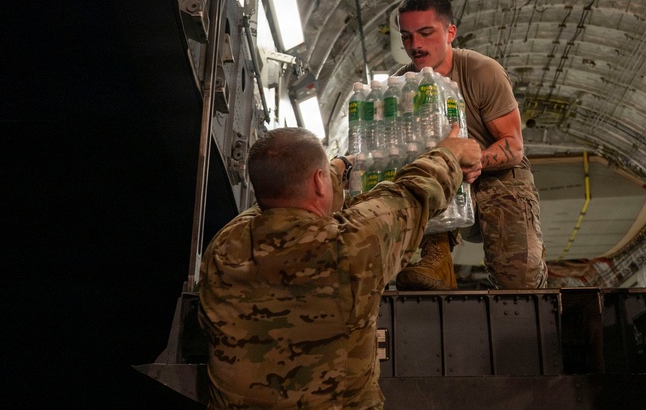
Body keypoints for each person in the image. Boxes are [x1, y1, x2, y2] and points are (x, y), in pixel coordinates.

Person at [197, 124, 481, 409]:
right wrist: (449, 153)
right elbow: (412, 193)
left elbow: (276, 197)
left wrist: (333, 169)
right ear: (319, 183)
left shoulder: (223, 247)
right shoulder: (348, 246)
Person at [394, 0, 549, 290]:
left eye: (426, 33)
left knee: (520, 280)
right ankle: (435, 258)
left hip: (499, 177)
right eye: (406, 36)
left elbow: (513, 146)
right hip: (442, 180)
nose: (416, 45)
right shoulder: (401, 85)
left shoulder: (482, 71)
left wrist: (474, 161)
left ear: (450, 32)